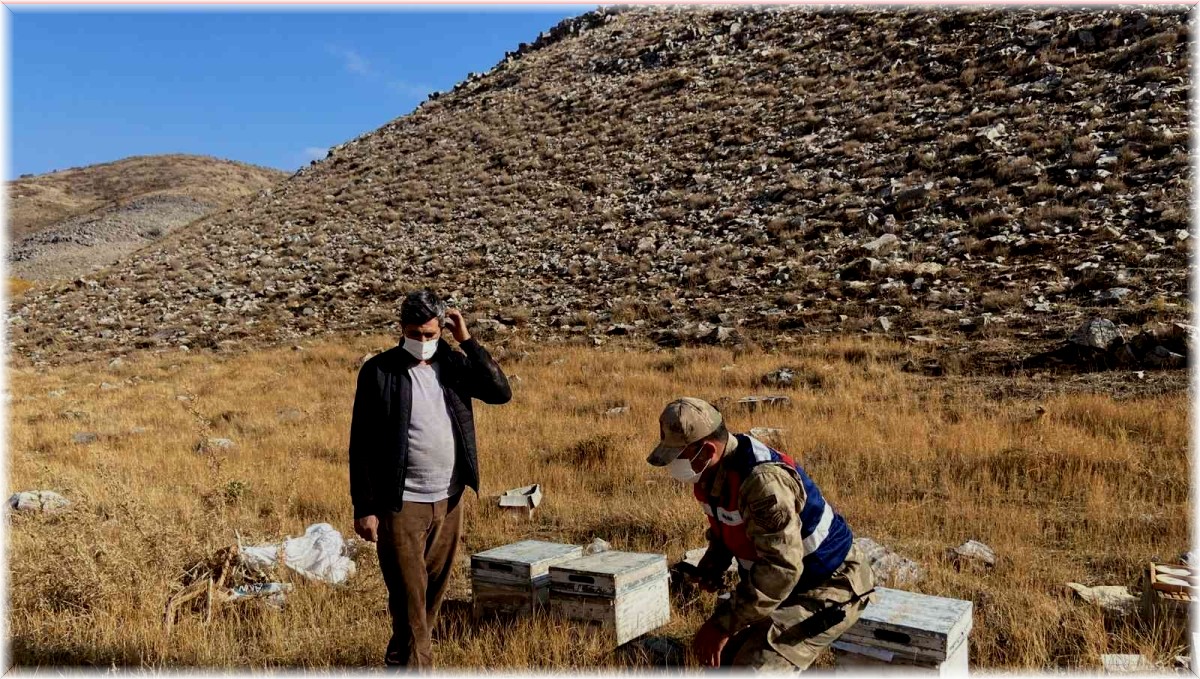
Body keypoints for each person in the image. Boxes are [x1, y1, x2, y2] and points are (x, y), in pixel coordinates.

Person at [646, 397, 875, 670]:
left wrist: (722, 625)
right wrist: (714, 561)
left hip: (828, 586)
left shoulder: (763, 484)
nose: (674, 466)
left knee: (750, 669)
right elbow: (729, 526)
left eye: (678, 456)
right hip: (785, 586)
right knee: (717, 662)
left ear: (707, 451)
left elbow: (781, 569)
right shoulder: (711, 473)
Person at [348, 289, 512, 668]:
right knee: (409, 598)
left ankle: (399, 660)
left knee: (432, 596)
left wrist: (467, 340)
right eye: (414, 333)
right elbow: (362, 443)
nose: (422, 342)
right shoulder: (380, 371)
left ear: (442, 329)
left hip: (450, 499)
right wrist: (365, 507)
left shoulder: (453, 364)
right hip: (402, 503)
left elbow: (499, 392)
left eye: (429, 334)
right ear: (401, 329)